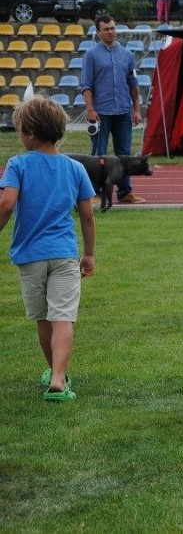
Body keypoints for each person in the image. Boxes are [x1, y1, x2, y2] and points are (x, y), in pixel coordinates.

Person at [0, 97, 96, 402]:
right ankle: (58, 377)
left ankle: (55, 373)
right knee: (63, 316)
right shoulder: (75, 167)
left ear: (28, 133)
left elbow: (6, 205)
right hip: (65, 254)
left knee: (43, 317)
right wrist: (89, 254)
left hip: (29, 256)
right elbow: (88, 215)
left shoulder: (17, 165)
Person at [81, 14, 145, 204]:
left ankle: (125, 192)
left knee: (124, 154)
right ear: (98, 32)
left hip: (123, 110)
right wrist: (90, 110)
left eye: (113, 28)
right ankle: (94, 193)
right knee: (98, 155)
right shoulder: (91, 55)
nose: (111, 32)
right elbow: (86, 85)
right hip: (101, 112)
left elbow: (133, 84)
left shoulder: (127, 55)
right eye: (107, 29)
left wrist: (136, 110)